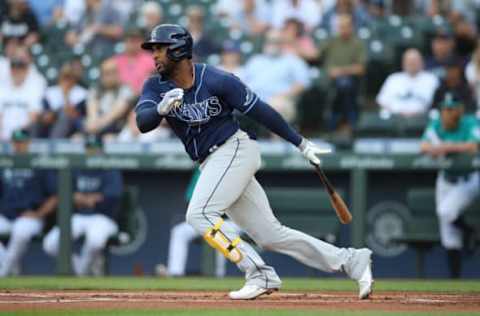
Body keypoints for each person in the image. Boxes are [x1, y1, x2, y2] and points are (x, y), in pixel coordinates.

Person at [136, 24, 373, 300]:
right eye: (154, 49)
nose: (154, 55)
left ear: (178, 49)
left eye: (160, 48)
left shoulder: (216, 79)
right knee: (270, 235)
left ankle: (259, 273)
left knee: (199, 215)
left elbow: (260, 110)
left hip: (234, 149)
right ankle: (352, 260)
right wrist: (159, 109)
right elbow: (142, 122)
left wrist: (300, 142)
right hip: (212, 161)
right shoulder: (155, 85)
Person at [43, 135, 123, 276]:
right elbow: (65, 192)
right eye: (89, 149)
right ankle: (81, 268)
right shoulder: (78, 167)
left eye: (95, 149)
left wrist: (83, 198)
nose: (92, 153)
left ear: (102, 150)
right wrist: (79, 197)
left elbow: (111, 195)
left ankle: (81, 273)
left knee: (95, 241)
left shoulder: (110, 168)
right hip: (79, 216)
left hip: (103, 217)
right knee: (50, 244)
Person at [420, 92, 480, 278]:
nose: (447, 113)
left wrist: (445, 147)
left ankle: (472, 233)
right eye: (445, 110)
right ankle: (455, 281)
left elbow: (473, 146)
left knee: (446, 212)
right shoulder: (436, 123)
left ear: (459, 110)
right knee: (449, 236)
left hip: (468, 179)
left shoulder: (469, 122)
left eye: (451, 109)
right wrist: (440, 147)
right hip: (445, 179)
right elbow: (424, 146)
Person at [158, 169, 242, 278]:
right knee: (180, 231)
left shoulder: (233, 170)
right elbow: (190, 199)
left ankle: (218, 275)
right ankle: (175, 273)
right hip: (204, 219)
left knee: (220, 233)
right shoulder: (201, 170)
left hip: (231, 220)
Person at [0, 129, 58, 276]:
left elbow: (55, 195)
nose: (19, 145)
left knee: (21, 232)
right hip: (6, 215)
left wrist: (39, 213)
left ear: (28, 143)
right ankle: (12, 268)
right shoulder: (4, 163)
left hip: (30, 216)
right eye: (16, 142)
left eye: (22, 142)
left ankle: (4, 274)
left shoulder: (39, 163)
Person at [242, 29, 310, 123]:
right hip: (252, 100)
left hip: (279, 99)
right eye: (270, 41)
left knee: (277, 107)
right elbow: (242, 81)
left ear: (282, 43)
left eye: (276, 41)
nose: (273, 45)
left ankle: (277, 138)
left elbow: (303, 83)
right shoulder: (255, 60)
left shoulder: (293, 60)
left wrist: (284, 95)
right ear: (265, 43)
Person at [319, 14, 366, 133]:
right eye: (341, 27)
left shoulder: (357, 43)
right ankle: (346, 121)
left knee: (344, 86)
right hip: (329, 80)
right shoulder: (331, 41)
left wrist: (341, 71)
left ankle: (339, 122)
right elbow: (315, 54)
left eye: (346, 26)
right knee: (340, 87)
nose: (343, 29)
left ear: (352, 27)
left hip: (351, 81)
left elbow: (361, 68)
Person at [0, 46, 47, 140]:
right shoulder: (3, 83)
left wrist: (17, 134)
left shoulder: (36, 81)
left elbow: (34, 115)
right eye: (13, 68)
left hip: (24, 134)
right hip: (3, 134)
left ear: (26, 69)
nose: (16, 71)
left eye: (20, 68)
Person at [376, 48, 439, 117]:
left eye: (415, 61)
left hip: (423, 118)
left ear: (422, 62)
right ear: (403, 63)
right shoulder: (393, 78)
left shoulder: (431, 79)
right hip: (395, 119)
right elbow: (381, 101)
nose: (412, 63)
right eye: (409, 61)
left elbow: (437, 103)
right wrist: (397, 113)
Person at [84, 58, 134, 138]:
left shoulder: (125, 89)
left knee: (108, 137)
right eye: (107, 73)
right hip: (96, 125)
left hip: (116, 126)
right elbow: (92, 110)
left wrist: (98, 125)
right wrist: (92, 122)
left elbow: (117, 112)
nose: (111, 76)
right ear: (101, 75)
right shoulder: (96, 89)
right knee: (77, 137)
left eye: (113, 72)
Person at [37, 62, 88, 138]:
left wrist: (66, 96)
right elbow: (45, 114)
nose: (66, 80)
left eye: (69, 76)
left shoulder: (82, 94)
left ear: (75, 78)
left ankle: (54, 146)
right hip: (49, 126)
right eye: (64, 76)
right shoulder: (50, 92)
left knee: (64, 116)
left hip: (73, 128)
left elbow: (78, 116)